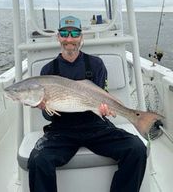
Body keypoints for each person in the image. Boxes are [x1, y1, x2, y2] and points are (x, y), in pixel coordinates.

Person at [28, 16, 147, 192]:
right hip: (62, 132)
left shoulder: (95, 64)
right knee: (38, 160)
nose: (69, 39)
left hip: (96, 127)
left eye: (75, 33)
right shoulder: (48, 71)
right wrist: (44, 107)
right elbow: (47, 115)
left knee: (137, 149)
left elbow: (103, 96)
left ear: (81, 37)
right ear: (58, 37)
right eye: (64, 34)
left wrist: (106, 111)